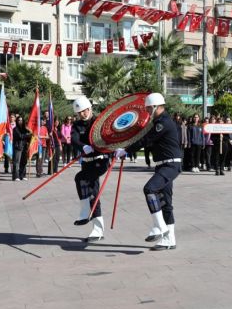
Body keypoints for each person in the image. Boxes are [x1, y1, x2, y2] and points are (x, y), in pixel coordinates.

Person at [116, 93, 181, 251]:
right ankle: (169, 239)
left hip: (170, 165)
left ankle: (160, 227)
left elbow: (146, 140)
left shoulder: (162, 123)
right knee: (166, 203)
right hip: (164, 165)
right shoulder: (160, 122)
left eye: (148, 108)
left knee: (149, 189)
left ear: (156, 107)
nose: (146, 111)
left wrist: (126, 151)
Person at [71, 96, 110, 243]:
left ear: (89, 108)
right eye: (79, 112)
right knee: (93, 193)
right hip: (87, 162)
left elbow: (107, 137)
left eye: (85, 110)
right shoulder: (76, 125)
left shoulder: (99, 122)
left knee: (80, 178)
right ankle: (98, 230)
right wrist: (82, 147)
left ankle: (85, 211)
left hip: (100, 162)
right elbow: (74, 139)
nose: (82, 114)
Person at [12, 115, 31, 181]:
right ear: (17, 121)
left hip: (24, 147)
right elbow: (20, 136)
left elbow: (28, 138)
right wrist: (27, 135)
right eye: (19, 120)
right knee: (17, 162)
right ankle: (16, 176)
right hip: (18, 147)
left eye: (21, 120)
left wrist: (31, 135)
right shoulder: (15, 129)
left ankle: (22, 175)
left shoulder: (25, 129)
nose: (20, 121)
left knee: (24, 162)